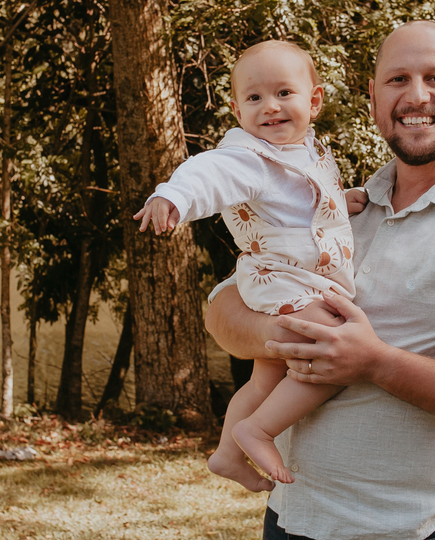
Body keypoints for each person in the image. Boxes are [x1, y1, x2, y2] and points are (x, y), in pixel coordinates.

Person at [205, 21, 435, 540]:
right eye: (397, 80)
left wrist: (375, 362)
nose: (417, 96)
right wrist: (290, 331)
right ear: (373, 98)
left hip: (407, 529)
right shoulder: (331, 208)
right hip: (292, 518)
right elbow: (221, 310)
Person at [135, 40, 356, 492]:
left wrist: (341, 203)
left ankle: (227, 454)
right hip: (280, 279)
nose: (269, 108)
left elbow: (305, 206)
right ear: (237, 112)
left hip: (295, 277)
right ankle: (257, 430)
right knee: (333, 345)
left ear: (314, 101)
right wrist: (174, 195)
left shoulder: (306, 152)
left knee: (266, 378)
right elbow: (208, 173)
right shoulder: (251, 159)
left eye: (283, 94)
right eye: (254, 98)